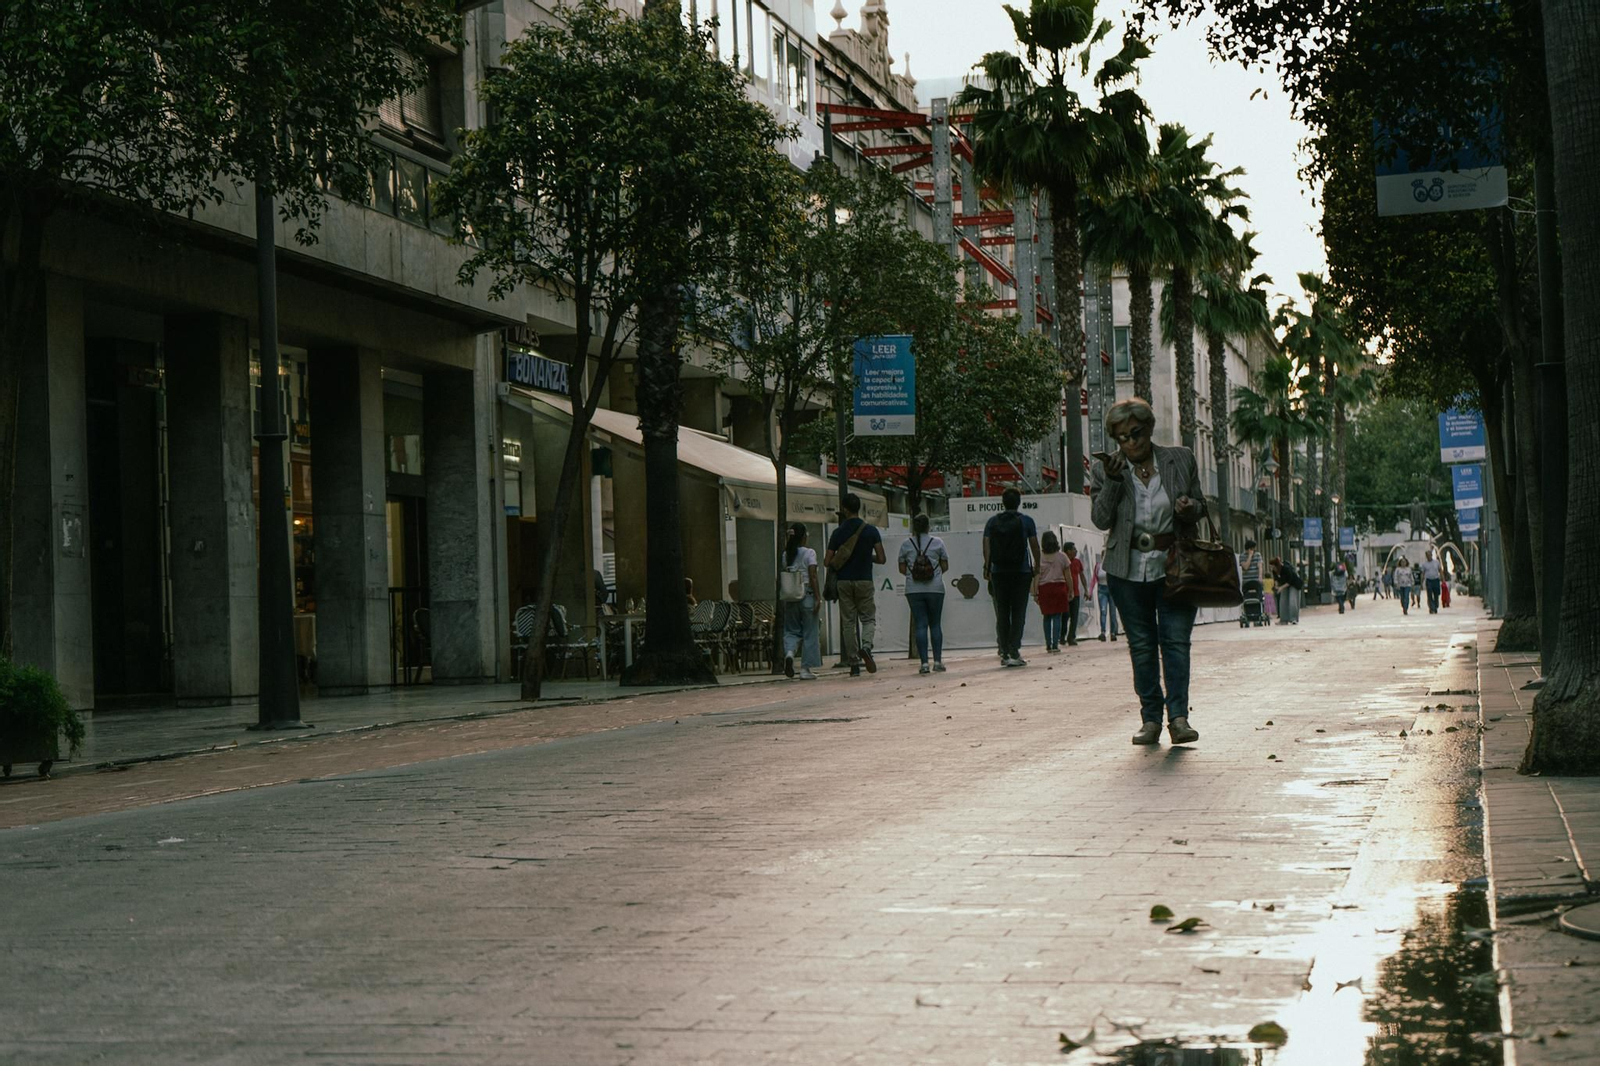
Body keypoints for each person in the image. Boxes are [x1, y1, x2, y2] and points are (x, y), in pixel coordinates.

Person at [1089, 397, 1207, 746]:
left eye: (1135, 434)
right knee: (1141, 646)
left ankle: (1180, 719)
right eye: (1121, 437)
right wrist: (1111, 482)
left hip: (1176, 566)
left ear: (1149, 428)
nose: (1129, 443)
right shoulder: (1105, 469)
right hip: (1127, 570)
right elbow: (1100, 519)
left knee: (1175, 643)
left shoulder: (1180, 458)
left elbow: (1201, 505)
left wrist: (1189, 508)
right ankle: (1151, 719)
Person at [825, 493, 885, 676]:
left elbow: (827, 561)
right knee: (868, 618)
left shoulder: (838, 532)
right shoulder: (871, 530)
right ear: (859, 508)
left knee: (848, 622)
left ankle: (853, 662)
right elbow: (882, 558)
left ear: (844, 509)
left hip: (843, 581)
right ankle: (866, 646)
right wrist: (867, 557)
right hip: (864, 580)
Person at [983, 486, 1041, 667]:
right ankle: (1014, 650)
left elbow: (986, 546)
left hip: (999, 572)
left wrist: (988, 567)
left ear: (1002, 502)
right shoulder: (1026, 521)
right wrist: (1037, 565)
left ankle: (1004, 651)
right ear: (1019, 503)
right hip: (1021, 572)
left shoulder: (992, 522)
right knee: (1018, 612)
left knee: (1002, 612)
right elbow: (1034, 545)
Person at [898, 513, 950, 674]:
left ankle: (924, 664)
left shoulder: (906, 544)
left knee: (920, 624)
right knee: (935, 624)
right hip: (935, 588)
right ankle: (938, 661)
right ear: (928, 526)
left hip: (913, 589)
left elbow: (901, 568)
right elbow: (945, 566)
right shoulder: (938, 543)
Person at [780, 524, 822, 680]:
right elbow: (813, 576)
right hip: (807, 596)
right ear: (804, 536)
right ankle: (805, 669)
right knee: (810, 632)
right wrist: (818, 597)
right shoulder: (810, 553)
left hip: (791, 597)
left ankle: (790, 653)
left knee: (791, 630)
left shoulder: (786, 555)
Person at [1034, 531, 1072, 653]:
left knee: (1046, 617)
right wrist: (1070, 590)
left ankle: (1048, 644)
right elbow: (1068, 576)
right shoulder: (1062, 557)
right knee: (1057, 616)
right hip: (1059, 588)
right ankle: (1055, 644)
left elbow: (1037, 576)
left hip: (1044, 589)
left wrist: (1035, 593)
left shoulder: (1039, 558)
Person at [1063, 542, 1087, 646]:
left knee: (1074, 616)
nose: (1076, 551)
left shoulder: (1077, 562)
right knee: (1065, 616)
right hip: (1065, 593)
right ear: (1068, 551)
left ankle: (1071, 637)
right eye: (1074, 549)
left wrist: (1086, 589)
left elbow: (1082, 576)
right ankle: (1061, 636)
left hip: (1075, 593)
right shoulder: (1063, 561)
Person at [1272, 557, 1303, 624]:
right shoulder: (1274, 571)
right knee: (1283, 601)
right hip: (1284, 584)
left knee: (1292, 600)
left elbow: (1290, 581)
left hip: (1294, 583)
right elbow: (1276, 579)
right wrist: (1276, 586)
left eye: (1273, 566)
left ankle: (1293, 619)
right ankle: (1283, 619)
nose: (1272, 568)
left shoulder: (1286, 569)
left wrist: (1281, 588)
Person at [1095, 556, 1119, 641]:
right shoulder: (1098, 566)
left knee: (1112, 612)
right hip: (1102, 589)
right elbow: (1094, 579)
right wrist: (1090, 592)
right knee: (1103, 610)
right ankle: (1103, 632)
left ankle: (1113, 632)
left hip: (1112, 589)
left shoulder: (1112, 565)